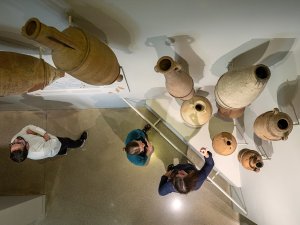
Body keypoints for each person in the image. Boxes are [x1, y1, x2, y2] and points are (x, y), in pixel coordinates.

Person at [9, 124, 88, 162]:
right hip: (53, 145)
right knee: (66, 141)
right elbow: (55, 141)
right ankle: (80, 143)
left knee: (60, 150)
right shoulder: (39, 151)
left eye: (12, 144)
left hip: (48, 145)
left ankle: (63, 152)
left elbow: (28, 127)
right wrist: (44, 134)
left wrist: (41, 135)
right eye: (19, 143)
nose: (17, 139)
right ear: (26, 147)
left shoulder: (14, 140)